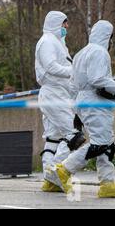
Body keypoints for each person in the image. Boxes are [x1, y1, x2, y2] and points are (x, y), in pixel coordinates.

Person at [52, 20, 115, 199]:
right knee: (101, 144)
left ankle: (107, 184)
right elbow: (98, 80)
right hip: (94, 104)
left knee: (108, 143)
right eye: (111, 38)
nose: (111, 42)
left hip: (85, 102)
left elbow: (73, 85)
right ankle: (65, 169)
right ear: (107, 36)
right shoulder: (99, 52)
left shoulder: (81, 53)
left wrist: (77, 110)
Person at [35, 11, 85, 192]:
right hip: (53, 95)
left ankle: (50, 179)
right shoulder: (47, 41)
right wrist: (73, 71)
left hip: (58, 95)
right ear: (56, 23)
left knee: (53, 139)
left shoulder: (58, 43)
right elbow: (50, 66)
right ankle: (55, 172)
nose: (66, 27)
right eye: (64, 24)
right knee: (74, 135)